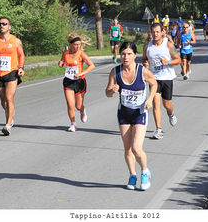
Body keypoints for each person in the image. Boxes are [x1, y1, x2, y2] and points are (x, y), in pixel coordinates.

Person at [105, 41, 157, 191]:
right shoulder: (115, 72)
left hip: (140, 113)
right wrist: (112, 90)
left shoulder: (143, 71)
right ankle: (132, 175)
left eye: (129, 54)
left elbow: (154, 84)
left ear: (135, 55)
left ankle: (145, 171)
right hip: (124, 114)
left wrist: (149, 99)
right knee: (127, 149)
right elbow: (107, 93)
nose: (125, 57)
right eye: (123, 54)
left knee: (136, 148)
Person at [0, 17, 25, 136]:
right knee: (3, 102)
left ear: (9, 26)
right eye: (0, 24)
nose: (1, 25)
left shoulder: (16, 41)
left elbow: (22, 55)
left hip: (12, 72)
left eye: (4, 24)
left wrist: (21, 67)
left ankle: (7, 125)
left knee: (9, 97)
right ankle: (10, 118)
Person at [142, 23, 181, 140]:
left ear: (162, 32)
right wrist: (145, 63)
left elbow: (178, 59)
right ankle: (159, 129)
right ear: (151, 32)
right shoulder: (147, 47)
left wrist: (167, 62)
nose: (155, 34)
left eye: (157, 32)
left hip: (167, 78)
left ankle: (171, 114)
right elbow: (144, 59)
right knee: (155, 103)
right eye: (153, 32)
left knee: (167, 104)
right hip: (154, 79)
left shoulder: (168, 45)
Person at [58, 34, 96, 132]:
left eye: (79, 44)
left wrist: (81, 73)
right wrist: (61, 63)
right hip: (68, 81)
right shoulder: (65, 53)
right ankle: (73, 124)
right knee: (70, 104)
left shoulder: (81, 54)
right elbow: (62, 61)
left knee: (78, 106)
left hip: (79, 82)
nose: (78, 47)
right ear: (70, 44)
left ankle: (82, 110)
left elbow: (92, 65)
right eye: (75, 45)